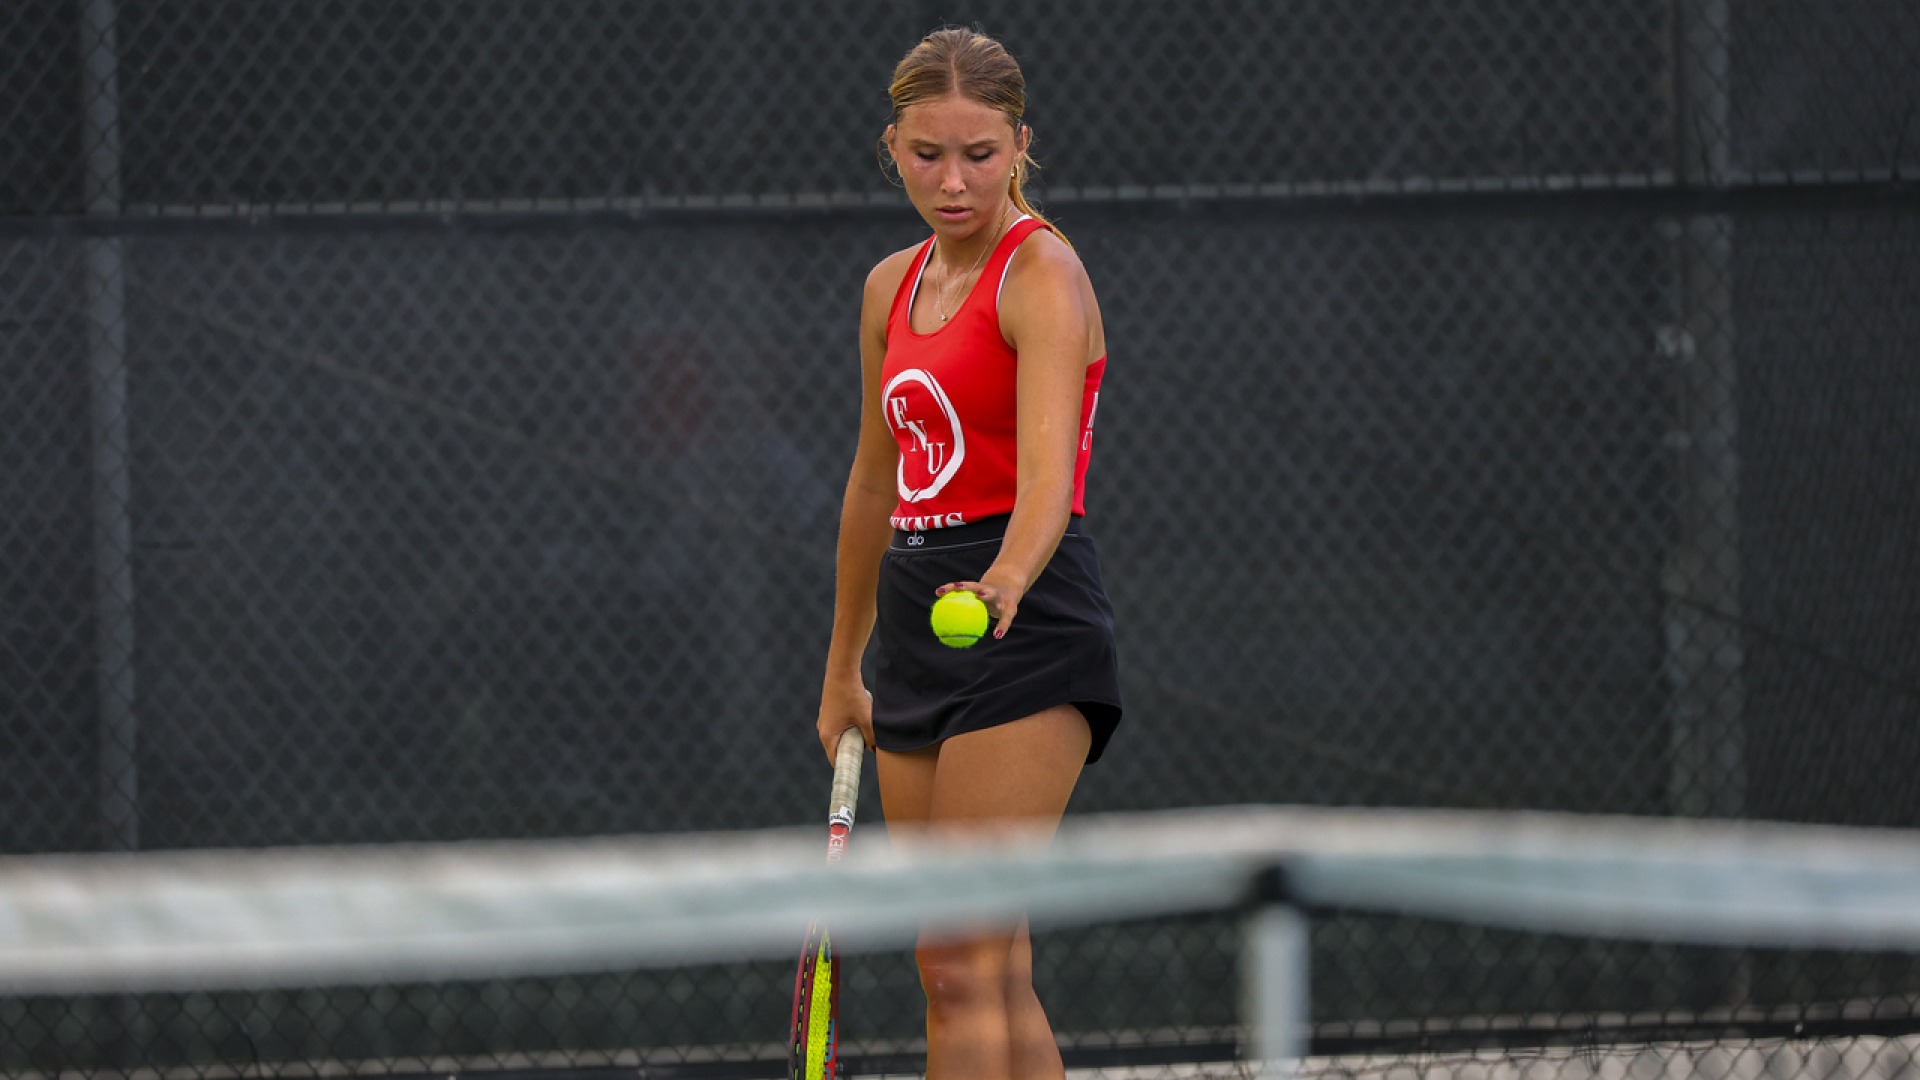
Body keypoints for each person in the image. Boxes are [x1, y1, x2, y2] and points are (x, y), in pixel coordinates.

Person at [814, 26, 1124, 1080]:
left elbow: (1047, 489)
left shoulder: (1043, 276)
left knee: (958, 954)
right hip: (911, 619)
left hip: (1024, 619)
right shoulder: (886, 287)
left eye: (981, 154)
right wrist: (842, 668)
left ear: (1020, 145)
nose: (954, 181)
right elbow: (871, 482)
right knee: (978, 967)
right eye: (928, 153)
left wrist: (1000, 583)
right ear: (890, 147)